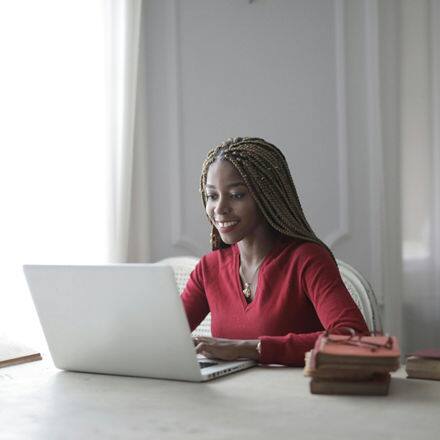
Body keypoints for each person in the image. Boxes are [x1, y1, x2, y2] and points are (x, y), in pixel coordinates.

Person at [181, 137, 369, 366]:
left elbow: (355, 338)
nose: (219, 208)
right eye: (212, 196)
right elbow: (163, 336)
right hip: (230, 396)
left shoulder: (307, 260)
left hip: (297, 397)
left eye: (237, 195)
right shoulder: (208, 269)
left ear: (267, 195)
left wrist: (249, 348)